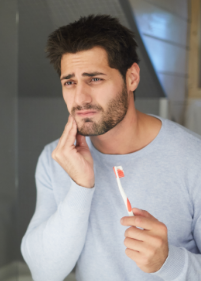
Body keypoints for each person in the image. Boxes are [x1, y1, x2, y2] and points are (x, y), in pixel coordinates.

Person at [21, 15, 201, 281]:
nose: (80, 98)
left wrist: (168, 262)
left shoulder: (193, 158)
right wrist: (81, 187)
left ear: (132, 77)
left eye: (94, 79)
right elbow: (43, 271)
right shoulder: (55, 159)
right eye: (69, 82)